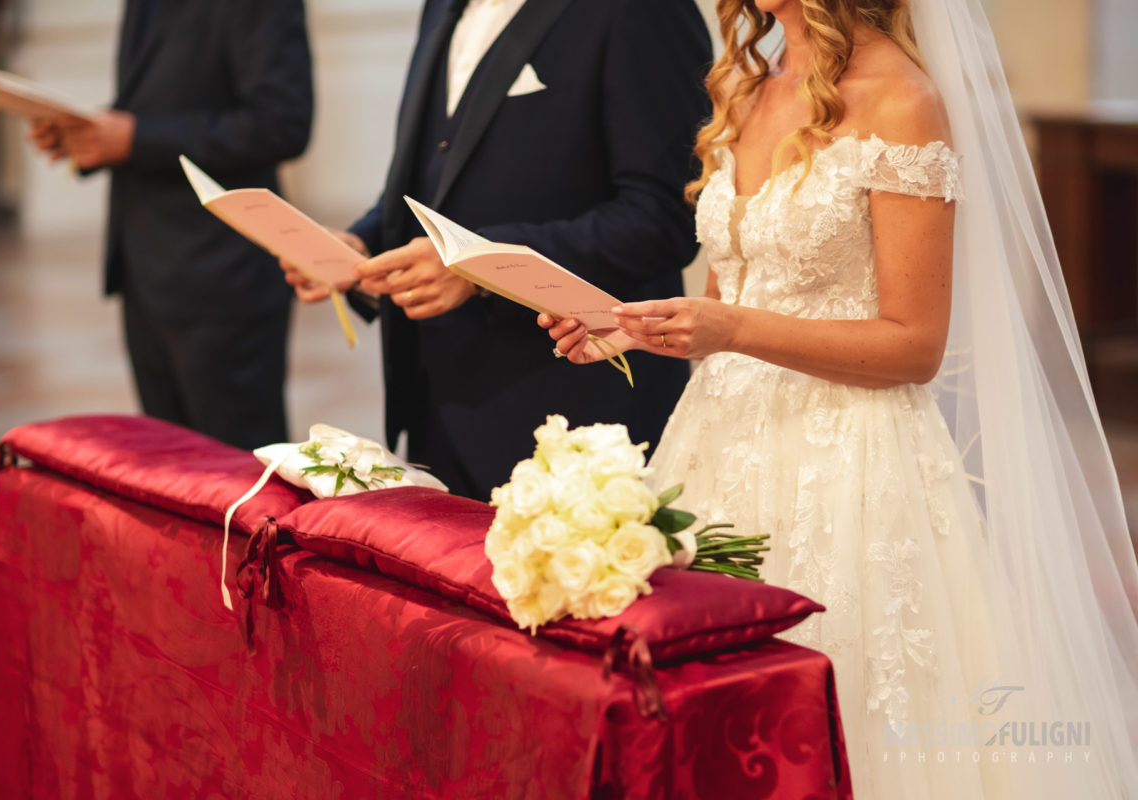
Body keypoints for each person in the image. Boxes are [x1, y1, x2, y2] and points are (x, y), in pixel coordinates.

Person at [542, 0, 1138, 796]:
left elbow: (914, 346)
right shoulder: (750, 85)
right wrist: (625, 329)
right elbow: (734, 291)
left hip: (850, 462)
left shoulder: (902, 100)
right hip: (717, 446)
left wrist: (731, 325)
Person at [284, 0, 712, 501]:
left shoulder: (640, 11)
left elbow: (665, 216)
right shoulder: (442, 7)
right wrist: (360, 242)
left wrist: (480, 268)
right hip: (436, 400)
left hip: (570, 412)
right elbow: (435, 177)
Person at [28, 0, 313, 450]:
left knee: (238, 478)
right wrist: (87, 134)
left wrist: (135, 138)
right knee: (173, 474)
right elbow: (159, 100)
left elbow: (283, 123)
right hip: (145, 267)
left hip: (222, 275)